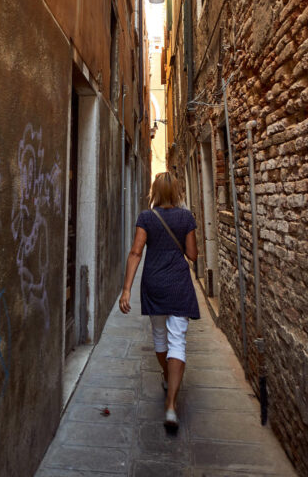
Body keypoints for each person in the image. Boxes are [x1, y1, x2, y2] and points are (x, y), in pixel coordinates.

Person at [119, 171, 200, 432]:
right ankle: (171, 405)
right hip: (178, 284)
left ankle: (167, 378)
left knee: (159, 336)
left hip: (153, 283)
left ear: (154, 191)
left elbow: (135, 252)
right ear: (176, 192)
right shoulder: (186, 217)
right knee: (178, 340)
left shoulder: (146, 217)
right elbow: (193, 255)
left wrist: (126, 289)